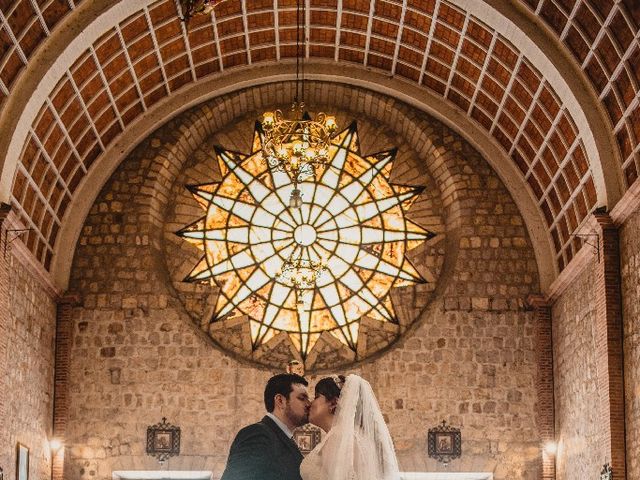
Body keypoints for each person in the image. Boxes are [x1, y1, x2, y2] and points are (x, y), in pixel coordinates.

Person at [300, 374, 401, 480]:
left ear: (333, 403)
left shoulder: (338, 439)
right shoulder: (355, 436)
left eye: (316, 397)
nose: (310, 403)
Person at [221, 373, 311, 480]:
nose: (309, 404)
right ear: (280, 401)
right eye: (302, 398)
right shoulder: (258, 435)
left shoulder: (285, 438)